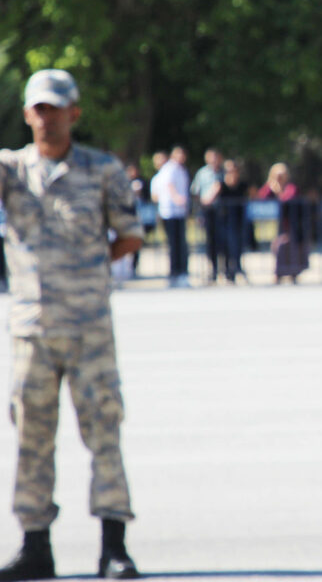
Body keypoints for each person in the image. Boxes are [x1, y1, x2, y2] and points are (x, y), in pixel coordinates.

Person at [0, 70, 143, 580]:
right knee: (32, 439)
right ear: (25, 114)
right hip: (32, 330)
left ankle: (114, 547)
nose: (47, 117)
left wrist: (88, 272)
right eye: (38, 108)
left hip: (89, 328)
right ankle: (35, 545)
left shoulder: (103, 170)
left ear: (74, 113)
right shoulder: (11, 170)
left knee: (104, 430)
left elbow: (130, 235)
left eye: (56, 108)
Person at [257, 163, 308, 284]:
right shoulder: (271, 186)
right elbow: (261, 198)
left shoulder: (291, 187)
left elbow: (288, 199)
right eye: (276, 175)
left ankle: (292, 272)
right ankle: (279, 273)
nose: (279, 178)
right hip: (278, 224)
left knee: (288, 247)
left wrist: (278, 192)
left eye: (281, 175)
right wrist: (270, 186)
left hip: (292, 224)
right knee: (279, 246)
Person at [203, 159, 249, 284]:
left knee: (237, 246)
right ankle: (221, 271)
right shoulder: (220, 184)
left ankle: (234, 271)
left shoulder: (243, 185)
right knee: (223, 247)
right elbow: (206, 199)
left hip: (238, 220)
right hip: (223, 220)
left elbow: (256, 196)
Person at [149, 146, 190, 287]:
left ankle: (182, 272)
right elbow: (169, 185)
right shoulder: (170, 169)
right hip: (169, 211)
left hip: (179, 211)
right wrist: (176, 198)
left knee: (181, 243)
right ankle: (175, 272)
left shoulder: (181, 169)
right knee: (174, 244)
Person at [190, 148, 224, 284]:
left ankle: (227, 270)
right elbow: (195, 191)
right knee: (211, 242)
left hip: (223, 211)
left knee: (225, 241)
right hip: (208, 210)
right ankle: (213, 270)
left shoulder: (223, 172)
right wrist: (200, 207)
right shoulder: (202, 173)